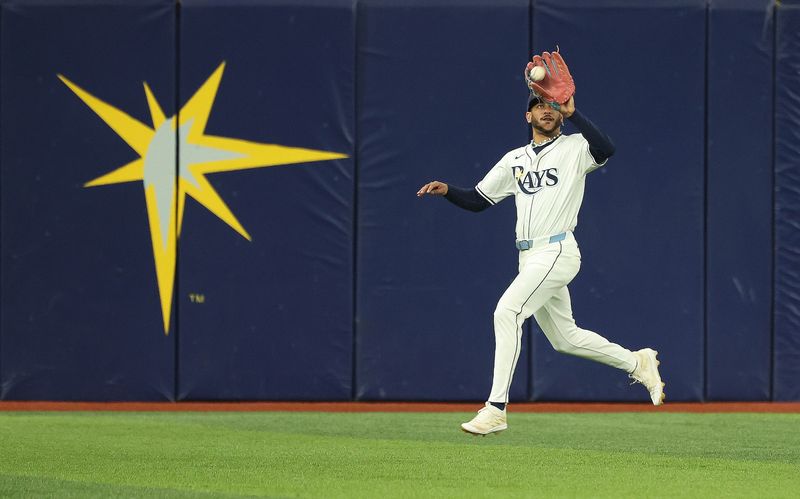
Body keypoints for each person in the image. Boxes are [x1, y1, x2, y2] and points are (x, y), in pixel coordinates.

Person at [416, 91, 665, 436]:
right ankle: (637, 362)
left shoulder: (575, 147)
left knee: (507, 312)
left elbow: (607, 149)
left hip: (557, 250)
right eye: (539, 107)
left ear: (560, 115)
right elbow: (478, 200)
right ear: (527, 116)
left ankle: (496, 409)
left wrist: (575, 113)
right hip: (529, 256)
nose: (546, 111)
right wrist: (448, 191)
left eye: (551, 107)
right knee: (566, 338)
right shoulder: (514, 159)